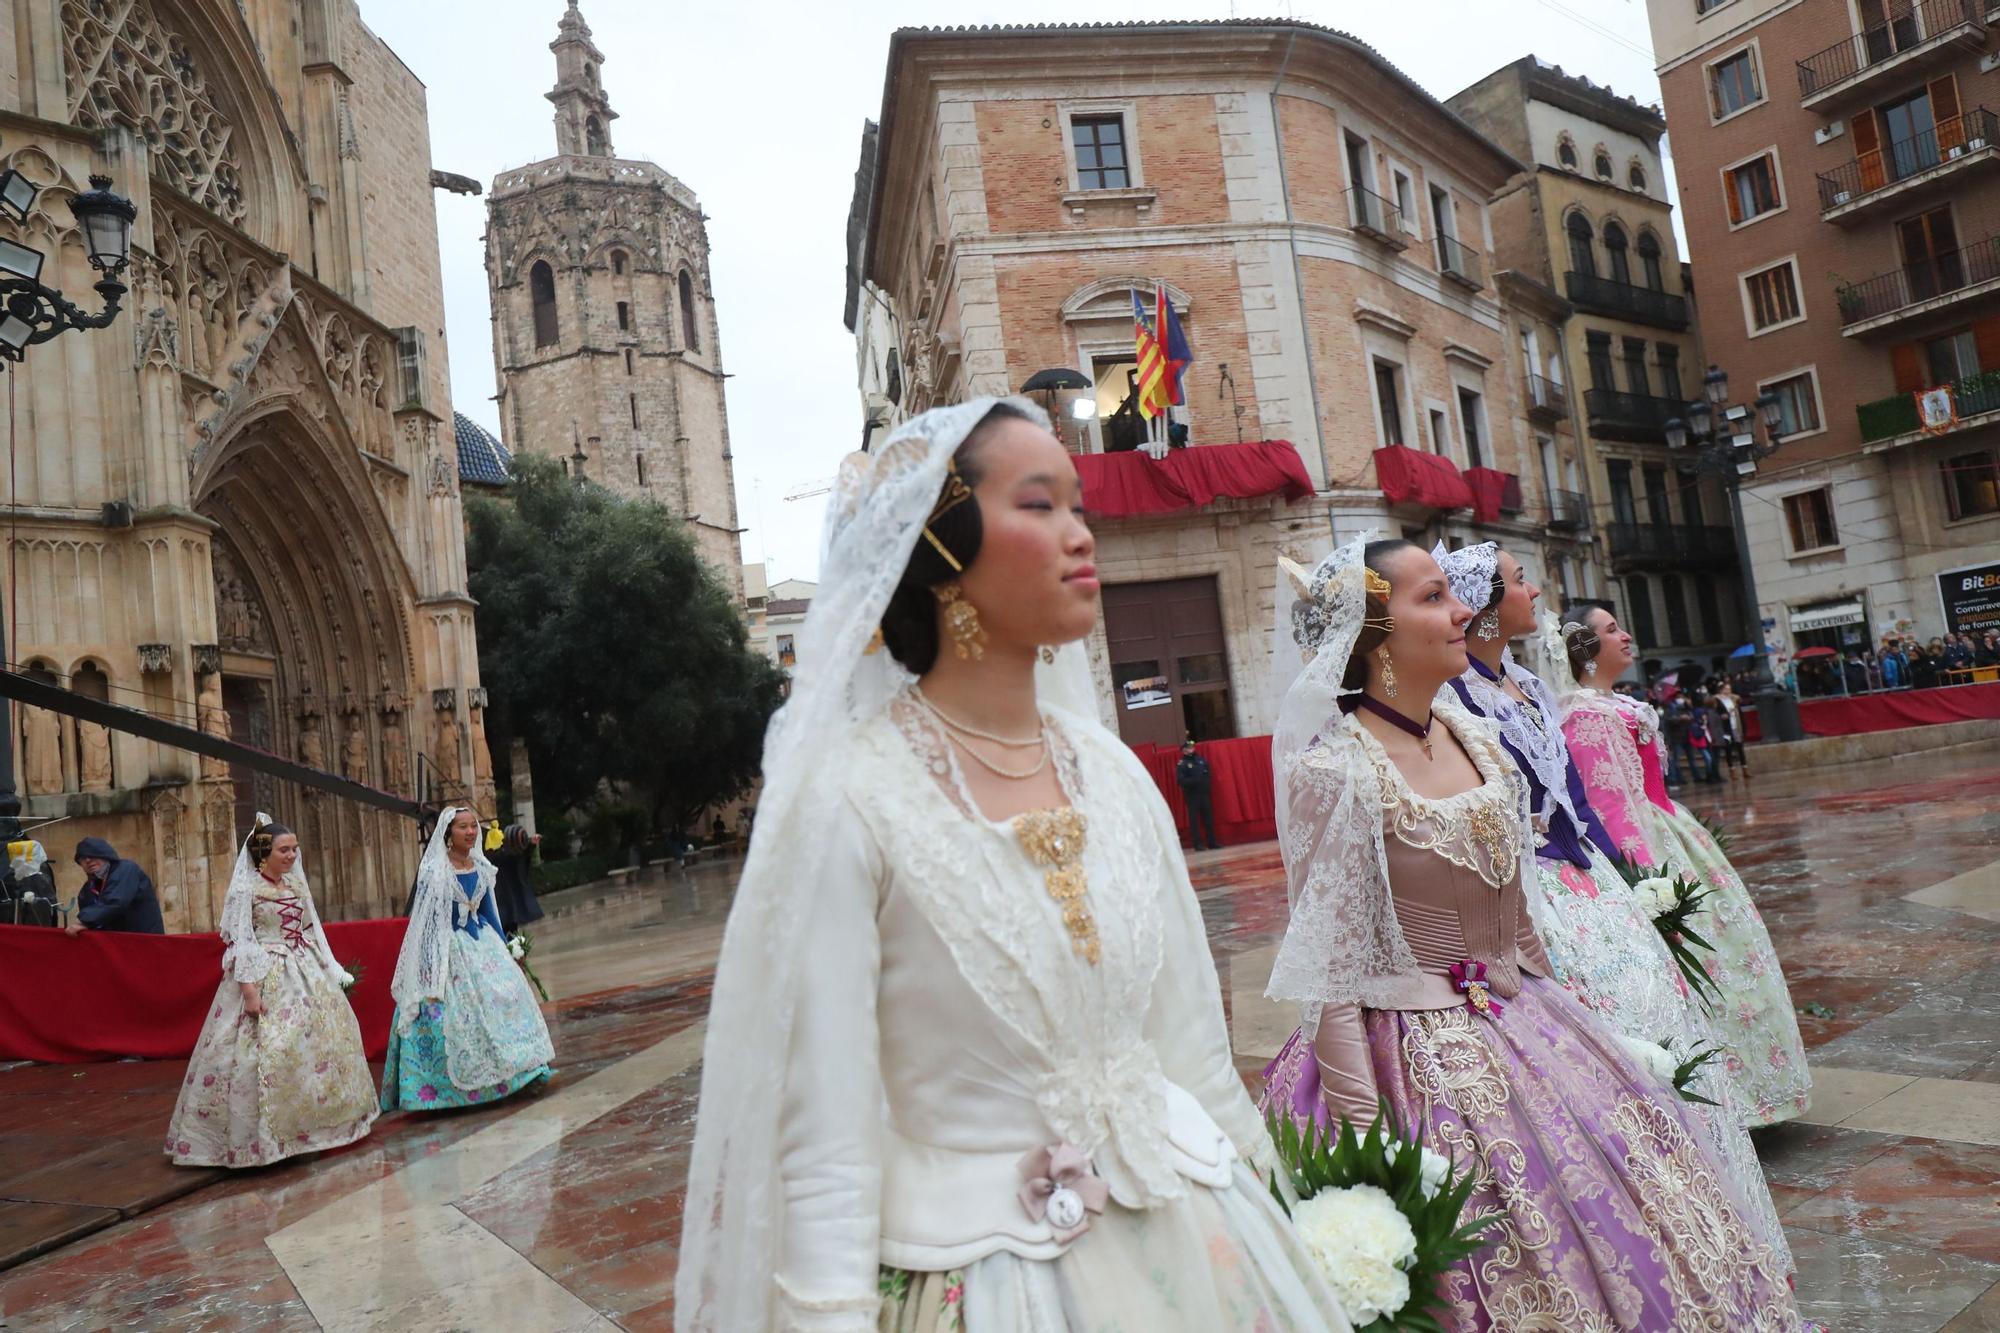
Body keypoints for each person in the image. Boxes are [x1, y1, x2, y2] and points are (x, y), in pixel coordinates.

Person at [675, 400, 1351, 1332]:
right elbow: (825, 1139)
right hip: (989, 1279)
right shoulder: (851, 798)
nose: (1081, 535)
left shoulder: (1110, 771)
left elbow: (1188, 1036)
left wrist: (1272, 1205)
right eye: (1039, 505)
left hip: (1202, 1234)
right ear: (942, 546)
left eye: (1079, 506)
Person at [1259, 537, 1798, 1328]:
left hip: (1525, 1018)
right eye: (1434, 596)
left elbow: (1517, 925)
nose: (1460, 612)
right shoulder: (1332, 770)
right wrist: (1378, 1170)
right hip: (1412, 1056)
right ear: (1375, 632)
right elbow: (1333, 979)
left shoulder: (1477, 739)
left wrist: (1574, 1028)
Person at [1429, 545, 1789, 1266]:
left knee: (1663, 1030)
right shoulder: (1458, 698)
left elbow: (1579, 804)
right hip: (1534, 897)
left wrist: (1625, 881)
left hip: (1591, 887)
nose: (1535, 590)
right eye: (1520, 580)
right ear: (1489, 605)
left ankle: (1716, 1225)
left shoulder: (1529, 683)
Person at [1560, 609, 1813, 1126]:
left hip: (1672, 829)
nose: (1626, 635)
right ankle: (1721, 1105)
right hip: (1650, 845)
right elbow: (1610, 805)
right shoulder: (1585, 715)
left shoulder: (1616, 706)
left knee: (1729, 962)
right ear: (1584, 647)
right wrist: (1649, 882)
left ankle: (1753, 1090)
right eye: (1611, 631)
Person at [164, 817, 378, 1167]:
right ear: (264, 853)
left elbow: (311, 930)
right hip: (265, 972)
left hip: (303, 970)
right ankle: (259, 1141)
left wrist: (327, 967)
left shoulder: (295, 885)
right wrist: (249, 992)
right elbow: (241, 942)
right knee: (267, 1051)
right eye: (285, 849)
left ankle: (316, 1128)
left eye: (294, 848)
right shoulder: (247, 891)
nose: (293, 855)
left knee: (315, 1047)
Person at [382, 806, 554, 1112]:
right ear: (449, 833)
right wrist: (428, 962)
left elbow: (489, 911)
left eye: (474, 826)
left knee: (507, 997)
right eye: (463, 827)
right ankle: (443, 1091)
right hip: (450, 947)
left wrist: (507, 947)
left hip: (482, 942)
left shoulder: (480, 865)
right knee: (456, 1014)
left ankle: (520, 1072)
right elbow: (425, 921)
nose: (471, 832)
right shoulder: (435, 871)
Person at [66, 836, 163, 935]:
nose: (88, 860)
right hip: (116, 945)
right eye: (82, 858)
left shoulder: (126, 869)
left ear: (105, 855)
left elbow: (116, 901)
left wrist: (84, 921)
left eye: (92, 855)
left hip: (144, 941)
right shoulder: (86, 891)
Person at [487, 823, 546, 935]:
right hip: (501, 901)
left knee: (510, 928)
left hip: (506, 902)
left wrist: (530, 844)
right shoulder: (500, 856)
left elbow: (521, 854)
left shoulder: (507, 857)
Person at [1174, 738, 1220, 851]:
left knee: (1208, 819)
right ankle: (1197, 843)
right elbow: (1181, 781)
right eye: (1189, 747)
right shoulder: (1182, 764)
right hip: (1192, 795)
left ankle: (1212, 842)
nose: (1192, 749)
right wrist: (1196, 781)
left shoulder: (1200, 760)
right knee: (1194, 821)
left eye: (1192, 747)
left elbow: (1207, 773)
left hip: (1204, 793)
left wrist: (1205, 783)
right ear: (1184, 750)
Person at [1714, 679, 1750, 778]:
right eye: (1726, 689)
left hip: (1736, 726)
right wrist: (1725, 714)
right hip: (1726, 728)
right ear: (1721, 690)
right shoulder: (1717, 701)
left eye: (1729, 689)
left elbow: (1738, 699)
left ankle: (1745, 770)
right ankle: (1732, 771)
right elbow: (1718, 714)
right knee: (1728, 749)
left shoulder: (1732, 699)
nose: (1729, 691)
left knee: (1740, 748)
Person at [1660, 690, 1694, 787]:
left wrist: (1689, 707)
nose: (1681, 699)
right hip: (1675, 737)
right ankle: (1675, 779)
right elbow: (1668, 721)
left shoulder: (1685, 707)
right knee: (1675, 759)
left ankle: (1680, 778)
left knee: (1685, 758)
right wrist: (1680, 718)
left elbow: (1691, 716)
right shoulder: (1670, 708)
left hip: (1686, 736)